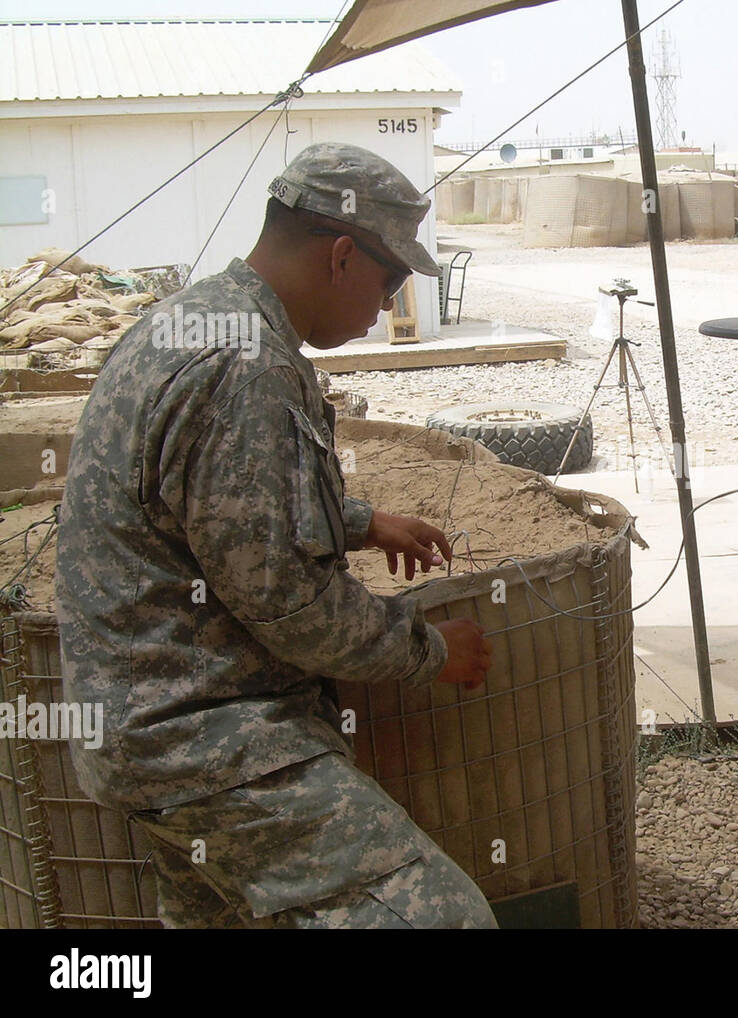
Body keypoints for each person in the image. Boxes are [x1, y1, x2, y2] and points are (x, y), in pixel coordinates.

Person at [55, 142, 497, 928]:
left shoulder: (191, 318)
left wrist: (357, 522)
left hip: (145, 727)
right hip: (209, 738)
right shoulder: (246, 364)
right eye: (389, 281)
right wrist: (431, 650)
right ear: (339, 256)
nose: (384, 309)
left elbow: (204, 501)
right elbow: (292, 607)